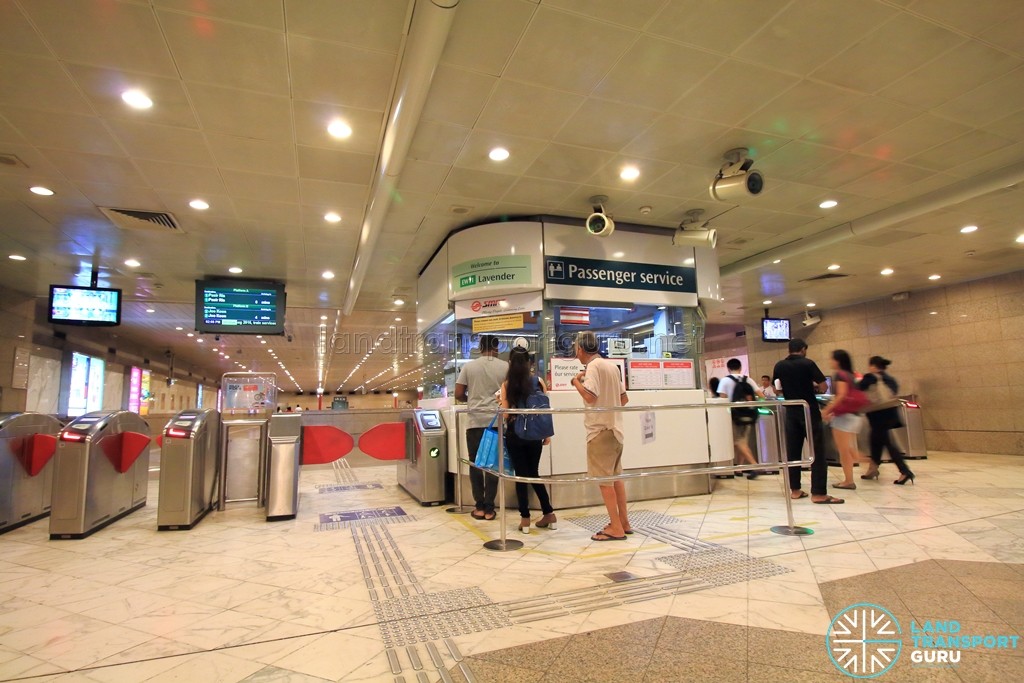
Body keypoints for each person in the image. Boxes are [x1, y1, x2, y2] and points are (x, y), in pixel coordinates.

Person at [571, 331, 631, 541]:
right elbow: (624, 399)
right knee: (616, 479)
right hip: (616, 431)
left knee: (605, 482)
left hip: (600, 431)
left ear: (580, 349)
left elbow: (590, 396)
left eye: (575, 348)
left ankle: (615, 527)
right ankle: (623, 521)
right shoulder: (611, 366)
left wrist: (575, 382)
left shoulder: (594, 367)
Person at [773, 338, 844, 504]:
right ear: (803, 349)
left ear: (789, 349)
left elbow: (777, 388)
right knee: (817, 452)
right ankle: (819, 493)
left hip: (791, 411)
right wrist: (811, 386)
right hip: (808, 411)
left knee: (793, 451)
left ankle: (795, 490)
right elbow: (824, 386)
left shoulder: (779, 365)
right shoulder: (808, 363)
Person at [499, 347, 556, 534]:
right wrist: (546, 434)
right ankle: (549, 513)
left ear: (510, 363)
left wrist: (501, 403)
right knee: (534, 474)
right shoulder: (538, 382)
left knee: (521, 476)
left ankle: (525, 519)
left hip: (516, 435)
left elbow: (506, 415)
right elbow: (544, 410)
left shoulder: (507, 385)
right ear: (529, 363)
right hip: (535, 434)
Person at [455, 335, 508, 520]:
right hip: (497, 421)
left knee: (475, 463)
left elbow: (459, 393)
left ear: (479, 347)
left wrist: (470, 399)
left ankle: (478, 506)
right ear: (497, 348)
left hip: (475, 421)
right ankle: (490, 508)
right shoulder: (505, 367)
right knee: (493, 464)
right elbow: (509, 392)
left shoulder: (469, 366)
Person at [859, 356, 915, 485]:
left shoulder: (871, 377)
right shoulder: (891, 379)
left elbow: (859, 388)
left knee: (887, 443)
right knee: (876, 440)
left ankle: (905, 471)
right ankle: (873, 469)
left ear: (873, 366)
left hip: (877, 414)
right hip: (890, 414)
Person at [821, 350, 870, 490]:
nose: (830, 361)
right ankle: (864, 460)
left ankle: (849, 479)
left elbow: (841, 396)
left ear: (838, 361)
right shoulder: (851, 374)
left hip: (844, 416)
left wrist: (827, 410)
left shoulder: (840, 374)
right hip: (854, 414)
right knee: (847, 448)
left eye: (831, 359)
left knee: (843, 450)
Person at [717, 359, 765, 479]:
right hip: (748, 414)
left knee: (739, 441)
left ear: (728, 368)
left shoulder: (725, 380)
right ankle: (739, 468)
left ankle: (755, 466)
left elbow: (722, 399)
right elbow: (761, 396)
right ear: (740, 367)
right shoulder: (748, 379)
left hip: (734, 415)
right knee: (742, 441)